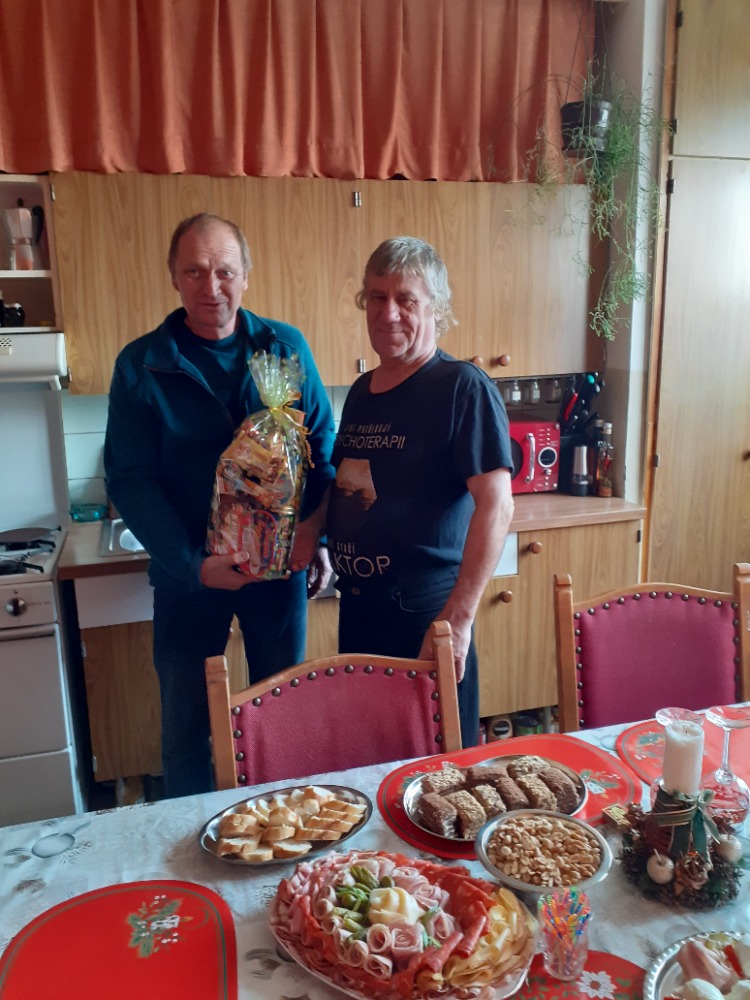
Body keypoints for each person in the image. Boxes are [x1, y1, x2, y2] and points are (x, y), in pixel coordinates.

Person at [104, 213, 335, 798]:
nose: (211, 287)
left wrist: (316, 534)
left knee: (281, 715)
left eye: (225, 271)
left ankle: (284, 826)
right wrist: (192, 565)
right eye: (195, 271)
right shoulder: (143, 364)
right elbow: (130, 479)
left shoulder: (285, 349)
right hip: (188, 578)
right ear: (174, 278)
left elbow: (322, 450)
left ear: (246, 275)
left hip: (277, 573)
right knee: (186, 728)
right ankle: (189, 836)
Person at [326, 236, 514, 747]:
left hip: (424, 616)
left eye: (405, 299)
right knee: (369, 759)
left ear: (436, 308)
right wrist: (318, 539)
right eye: (377, 297)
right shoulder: (363, 391)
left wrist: (459, 619)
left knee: (438, 767)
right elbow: (349, 483)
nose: (388, 312)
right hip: (359, 610)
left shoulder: (461, 387)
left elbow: (497, 505)